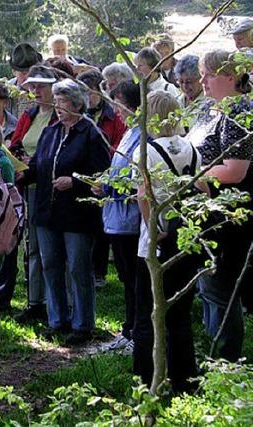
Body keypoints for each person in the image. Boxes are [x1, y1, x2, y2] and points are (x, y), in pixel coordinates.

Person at [27, 79, 110, 345]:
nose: (57, 107)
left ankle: (83, 324)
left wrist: (74, 181)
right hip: (47, 210)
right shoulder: (50, 132)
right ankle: (57, 320)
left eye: (62, 102)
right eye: (56, 101)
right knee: (50, 264)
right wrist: (20, 171)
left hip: (77, 213)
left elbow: (102, 175)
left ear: (77, 104)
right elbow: (37, 163)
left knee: (77, 267)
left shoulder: (90, 133)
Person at [131, 90, 201, 393]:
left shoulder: (145, 151)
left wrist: (152, 230)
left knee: (148, 311)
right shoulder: (192, 148)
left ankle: (147, 379)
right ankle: (185, 378)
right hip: (184, 235)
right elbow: (204, 191)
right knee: (180, 313)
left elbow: (143, 196)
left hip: (156, 238)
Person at [186, 49, 253, 361]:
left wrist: (188, 175)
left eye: (208, 74)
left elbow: (235, 170)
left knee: (221, 290)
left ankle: (226, 362)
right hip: (204, 213)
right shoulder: (209, 109)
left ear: (230, 77)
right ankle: (213, 357)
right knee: (208, 289)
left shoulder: (240, 110)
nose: (202, 81)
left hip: (229, 217)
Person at [94, 80, 142, 354]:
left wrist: (108, 186)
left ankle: (137, 333)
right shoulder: (129, 131)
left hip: (130, 219)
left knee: (135, 279)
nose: (117, 110)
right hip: (116, 217)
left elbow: (136, 177)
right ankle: (129, 329)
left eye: (119, 104)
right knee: (127, 279)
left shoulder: (144, 134)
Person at [8, 65, 58, 324]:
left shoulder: (61, 116)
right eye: (32, 86)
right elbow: (16, 141)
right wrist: (18, 156)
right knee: (33, 248)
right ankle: (35, 301)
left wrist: (36, 161)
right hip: (29, 187)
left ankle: (53, 303)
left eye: (41, 86)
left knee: (49, 250)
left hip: (51, 190)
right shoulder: (30, 114)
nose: (35, 91)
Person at [77, 69, 126, 288]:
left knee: (100, 225)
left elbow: (119, 143)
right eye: (83, 94)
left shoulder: (113, 115)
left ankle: (99, 271)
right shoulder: (79, 115)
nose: (87, 98)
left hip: (105, 170)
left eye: (91, 93)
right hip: (81, 172)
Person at [8, 42, 43, 118]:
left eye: (32, 71)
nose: (28, 77)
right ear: (14, 72)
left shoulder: (47, 89)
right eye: (24, 73)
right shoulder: (6, 91)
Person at [174, 54, 205, 129]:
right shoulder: (176, 100)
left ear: (200, 79)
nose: (185, 87)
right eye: (181, 81)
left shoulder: (208, 103)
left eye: (189, 82)